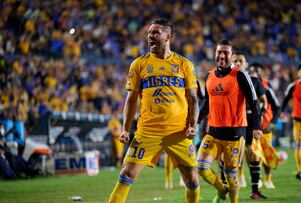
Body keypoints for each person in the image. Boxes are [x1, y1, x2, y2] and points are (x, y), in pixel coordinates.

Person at [108, 18, 200, 203]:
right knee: (127, 173)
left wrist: (192, 125)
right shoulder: (138, 64)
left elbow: (193, 99)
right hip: (148, 131)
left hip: (178, 132)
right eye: (150, 32)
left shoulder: (185, 64)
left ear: (168, 36)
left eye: (156, 32)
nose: (150, 36)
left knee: (191, 179)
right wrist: (126, 129)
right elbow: (131, 100)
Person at [197, 40, 262, 203]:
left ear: (232, 56)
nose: (221, 55)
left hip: (234, 136)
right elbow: (206, 103)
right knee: (201, 167)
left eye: (226, 52)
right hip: (212, 133)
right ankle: (221, 190)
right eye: (219, 52)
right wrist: (195, 121)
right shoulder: (210, 75)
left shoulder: (240, 75)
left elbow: (254, 101)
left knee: (231, 175)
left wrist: (256, 126)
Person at [230, 52, 269, 198]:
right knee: (232, 158)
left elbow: (263, 101)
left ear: (246, 64)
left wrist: (260, 117)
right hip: (235, 124)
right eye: (236, 60)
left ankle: (255, 191)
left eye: (241, 61)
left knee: (253, 156)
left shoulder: (254, 80)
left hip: (251, 123)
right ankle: (228, 190)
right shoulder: (228, 79)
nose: (238, 63)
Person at [248, 63, 281, 189]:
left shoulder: (266, 87)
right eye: (251, 71)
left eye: (256, 71)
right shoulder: (244, 84)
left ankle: (268, 179)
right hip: (251, 127)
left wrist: (271, 123)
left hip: (264, 126)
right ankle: (257, 179)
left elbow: (277, 106)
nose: (254, 73)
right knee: (253, 153)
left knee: (266, 155)